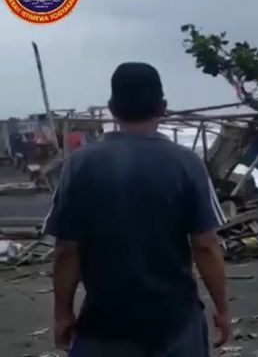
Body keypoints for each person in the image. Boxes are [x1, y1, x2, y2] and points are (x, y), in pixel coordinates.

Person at [45, 62, 230, 356]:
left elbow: (67, 250)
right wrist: (222, 309)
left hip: (104, 326)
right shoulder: (187, 164)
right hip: (175, 326)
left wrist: (62, 314)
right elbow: (205, 246)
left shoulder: (79, 165)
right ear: (162, 107)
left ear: (112, 108)